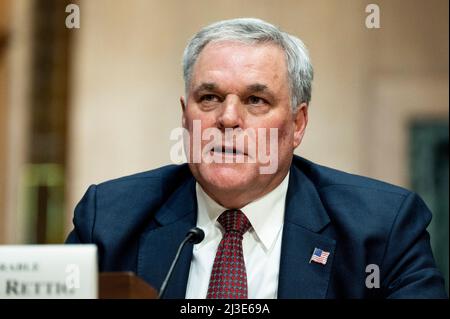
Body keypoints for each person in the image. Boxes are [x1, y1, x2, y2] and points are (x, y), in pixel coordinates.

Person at [66, 18, 447, 299]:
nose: (228, 119)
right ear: (186, 117)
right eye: (209, 98)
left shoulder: (381, 229)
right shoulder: (110, 221)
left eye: (255, 100)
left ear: (298, 124)